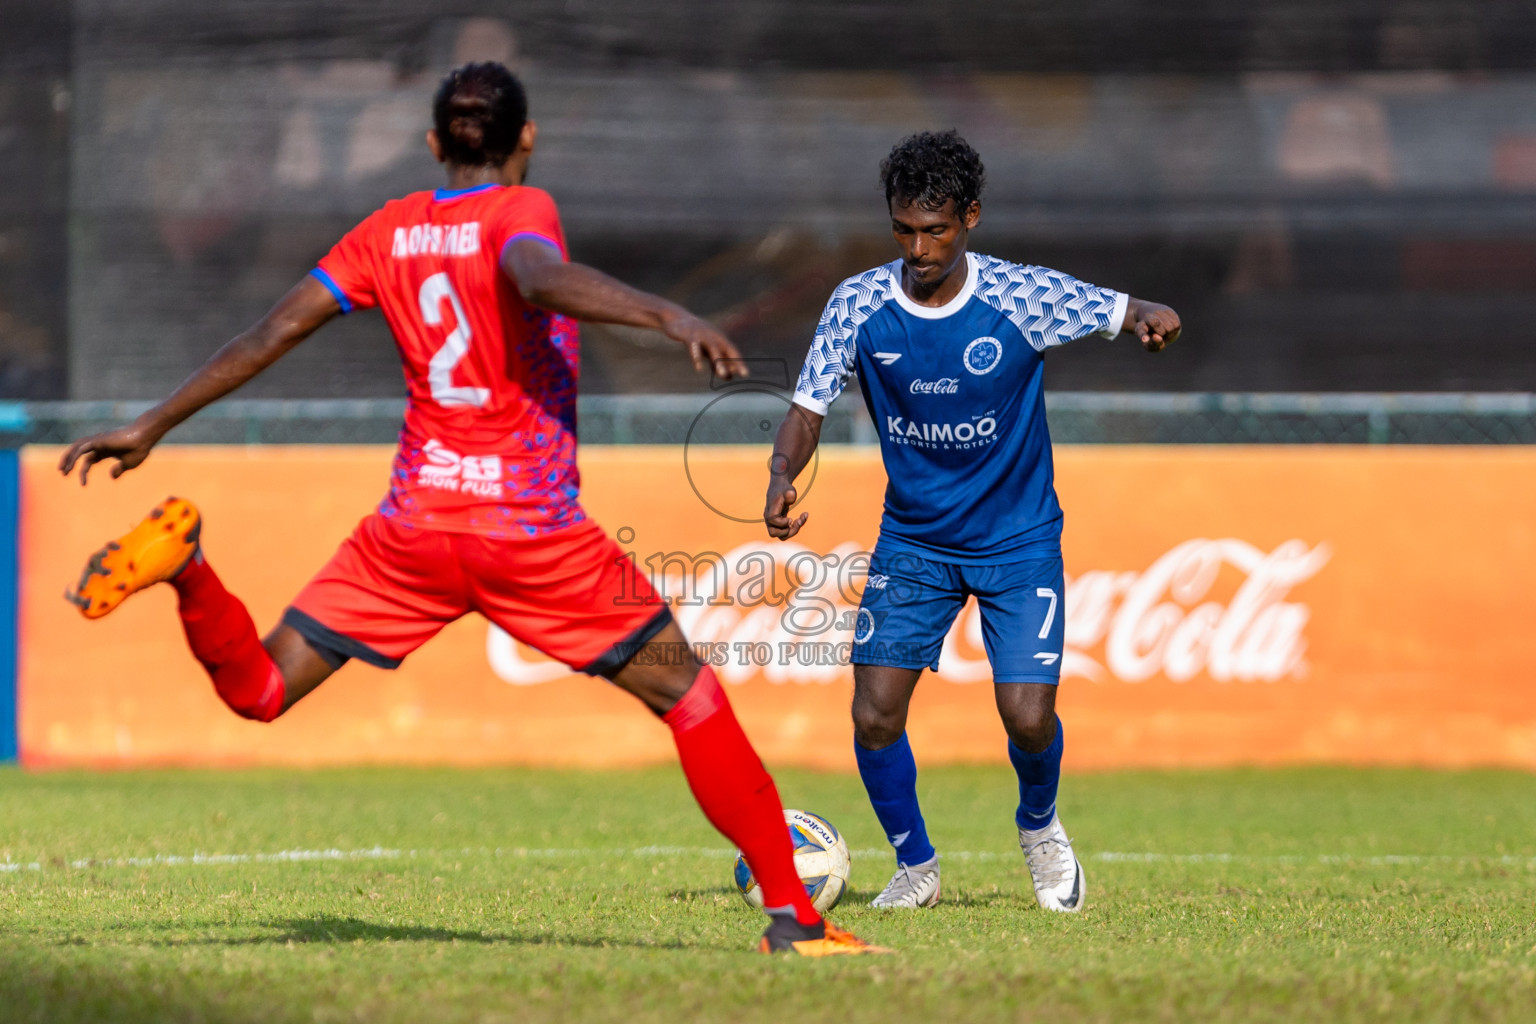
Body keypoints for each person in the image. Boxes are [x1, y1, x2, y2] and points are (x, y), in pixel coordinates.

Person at [60, 62, 884, 957]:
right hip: (527, 529)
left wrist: (150, 424)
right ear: (525, 139)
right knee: (689, 698)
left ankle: (187, 569)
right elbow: (534, 277)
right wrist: (667, 314)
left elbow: (271, 332)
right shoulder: (519, 211)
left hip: (411, 528)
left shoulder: (385, 230)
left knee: (260, 690)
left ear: (431, 144)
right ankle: (794, 919)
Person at [764, 130, 1181, 913]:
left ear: (972, 218)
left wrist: (1152, 316)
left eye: (936, 230)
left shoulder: (1022, 297)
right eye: (904, 230)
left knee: (1027, 718)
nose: (919, 248)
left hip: (1017, 541)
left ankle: (1041, 828)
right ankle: (915, 865)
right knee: (873, 711)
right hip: (914, 543)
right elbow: (807, 409)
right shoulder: (858, 305)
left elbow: (1126, 309)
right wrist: (783, 472)